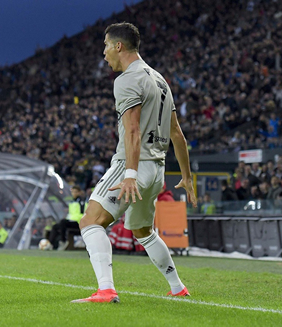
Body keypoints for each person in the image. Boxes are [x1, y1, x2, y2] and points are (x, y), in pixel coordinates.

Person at [72, 22, 197, 304]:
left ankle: (106, 290)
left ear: (119, 46)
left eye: (105, 45)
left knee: (90, 222)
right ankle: (178, 287)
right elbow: (178, 134)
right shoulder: (160, 80)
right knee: (143, 231)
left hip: (134, 166)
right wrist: (187, 177)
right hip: (157, 169)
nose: (103, 53)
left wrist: (129, 174)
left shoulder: (127, 79)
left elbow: (132, 130)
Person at [47, 186, 87, 250]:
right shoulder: (72, 202)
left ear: (79, 192)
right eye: (73, 192)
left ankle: (63, 241)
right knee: (55, 226)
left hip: (78, 222)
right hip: (71, 221)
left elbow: (82, 214)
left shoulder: (82, 202)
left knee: (63, 222)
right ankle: (50, 244)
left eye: (75, 192)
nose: (74, 193)